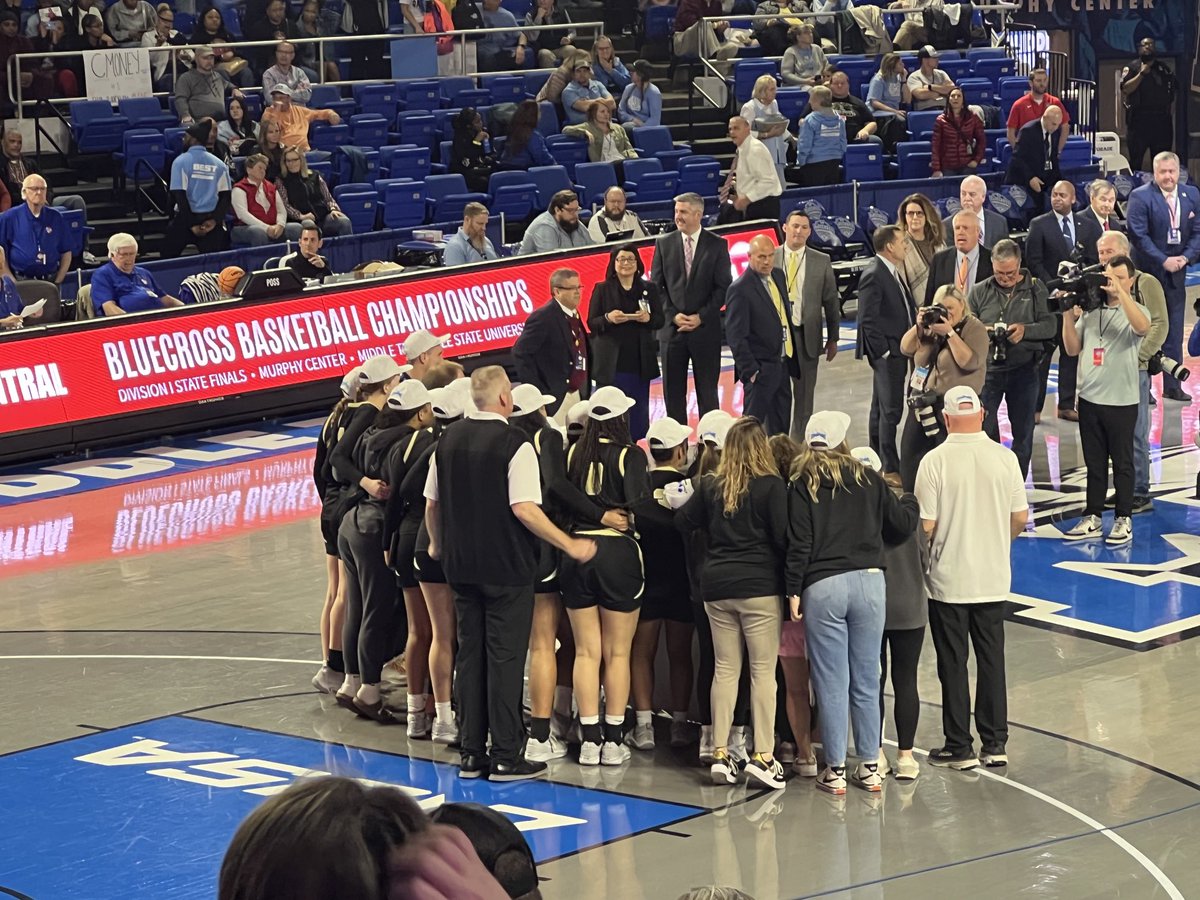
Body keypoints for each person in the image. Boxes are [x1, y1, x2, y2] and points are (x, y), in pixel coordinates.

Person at [424, 365, 597, 780]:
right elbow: (524, 509)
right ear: (505, 399)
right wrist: (569, 544)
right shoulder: (515, 444)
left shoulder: (447, 441)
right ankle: (505, 753)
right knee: (503, 659)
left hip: (461, 567)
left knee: (470, 655)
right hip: (505, 569)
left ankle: (471, 752)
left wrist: (437, 544)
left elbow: (432, 503)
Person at [786, 410, 919, 794]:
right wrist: (909, 501)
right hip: (870, 584)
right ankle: (871, 767)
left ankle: (836, 770)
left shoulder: (800, 484)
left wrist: (793, 590)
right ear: (844, 442)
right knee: (866, 677)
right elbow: (900, 524)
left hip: (822, 586)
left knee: (830, 681)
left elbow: (799, 544)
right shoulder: (868, 481)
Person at [916, 385, 1028, 770]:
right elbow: (1019, 518)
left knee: (953, 663)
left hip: (948, 580)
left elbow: (925, 525)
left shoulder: (934, 462)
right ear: (982, 414)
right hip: (993, 577)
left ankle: (958, 745)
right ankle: (995, 743)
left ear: (946, 419)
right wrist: (997, 542)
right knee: (991, 659)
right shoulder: (1005, 458)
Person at [676, 417, 788, 790]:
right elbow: (783, 539)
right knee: (762, 673)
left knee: (725, 669)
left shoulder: (710, 486)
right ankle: (764, 757)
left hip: (716, 587)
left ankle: (720, 753)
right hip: (759, 588)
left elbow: (683, 520)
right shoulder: (772, 487)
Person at [558, 385, 660, 766]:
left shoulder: (570, 454)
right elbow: (641, 505)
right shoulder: (630, 455)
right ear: (621, 420)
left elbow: (558, 495)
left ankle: (588, 738)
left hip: (576, 552)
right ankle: (614, 739)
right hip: (618, 555)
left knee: (586, 651)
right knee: (618, 652)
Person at [338, 377, 434, 725]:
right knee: (377, 610)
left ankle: (352, 682)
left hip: (352, 521)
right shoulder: (411, 443)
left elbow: (337, 462)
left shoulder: (370, 435)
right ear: (421, 413)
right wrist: (387, 543)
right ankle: (371, 690)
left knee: (358, 607)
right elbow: (399, 495)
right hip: (374, 527)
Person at [1061, 255, 1152, 546]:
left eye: (1120, 277)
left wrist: (1121, 293)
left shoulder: (1138, 310)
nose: (1111, 282)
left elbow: (1141, 328)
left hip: (1122, 401)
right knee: (1094, 463)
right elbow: (1073, 348)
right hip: (1089, 399)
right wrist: (1066, 314)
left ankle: (1123, 518)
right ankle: (1093, 516)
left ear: (1131, 280)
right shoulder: (1091, 313)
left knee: (1123, 463)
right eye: (1108, 277)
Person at [850, 448, 925, 782]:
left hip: (871, 606)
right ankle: (906, 756)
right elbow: (925, 558)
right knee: (906, 680)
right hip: (910, 606)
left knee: (871, 682)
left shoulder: (852, 512)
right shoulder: (906, 509)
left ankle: (875, 753)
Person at [628, 416, 695, 752]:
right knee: (680, 654)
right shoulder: (691, 493)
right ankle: (681, 724)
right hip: (682, 585)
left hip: (646, 586)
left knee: (642, 654)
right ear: (681, 452)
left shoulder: (636, 495)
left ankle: (643, 726)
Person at [968, 239, 1054, 478]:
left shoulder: (1036, 289)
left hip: (1024, 370)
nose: (1005, 278)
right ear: (991, 265)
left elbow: (1050, 326)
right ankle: (992, 478)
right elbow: (966, 325)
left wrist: (1026, 331)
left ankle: (1016, 482)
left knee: (1023, 431)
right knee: (985, 428)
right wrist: (984, 331)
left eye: (1010, 273)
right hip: (988, 371)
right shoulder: (979, 291)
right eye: (999, 273)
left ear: (1019, 266)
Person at [1096, 230, 1167, 514]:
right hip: (1106, 371)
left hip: (1134, 370)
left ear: (1125, 253)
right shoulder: (1100, 285)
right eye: (1100, 252)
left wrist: (1137, 358)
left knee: (1136, 432)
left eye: (1109, 251)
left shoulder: (1146, 283)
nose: (1103, 257)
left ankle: (1140, 491)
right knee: (1116, 433)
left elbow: (1159, 325)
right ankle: (1125, 487)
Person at [1126, 152, 1200, 403]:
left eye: (1172, 171)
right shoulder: (1140, 196)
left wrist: (1185, 258)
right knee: (1144, 329)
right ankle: (1143, 387)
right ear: (1154, 174)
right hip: (1148, 273)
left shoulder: (1191, 195)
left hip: (1177, 273)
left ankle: (1173, 385)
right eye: (1163, 172)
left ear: (1179, 171)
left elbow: (1198, 231)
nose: (1168, 176)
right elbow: (1138, 235)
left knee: (1175, 330)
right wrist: (1163, 260)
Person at [898, 283, 987, 489]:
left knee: (951, 467)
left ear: (962, 305)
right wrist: (920, 325)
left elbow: (969, 362)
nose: (945, 313)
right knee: (912, 461)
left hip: (953, 409)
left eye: (950, 309)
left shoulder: (974, 328)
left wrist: (950, 333)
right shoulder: (931, 327)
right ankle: (915, 506)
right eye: (940, 308)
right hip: (922, 403)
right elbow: (905, 348)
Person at [1026, 180, 1101, 423]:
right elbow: (1034, 262)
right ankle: (1035, 408)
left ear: (1073, 199)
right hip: (1049, 300)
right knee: (1044, 357)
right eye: (1054, 194)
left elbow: (1092, 260)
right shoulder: (1039, 225)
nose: (1056, 198)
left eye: (1062, 195)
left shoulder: (1088, 226)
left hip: (1077, 303)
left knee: (1071, 354)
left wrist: (1079, 291)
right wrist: (1056, 288)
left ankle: (1066, 405)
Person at [653, 192, 731, 423]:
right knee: (673, 395)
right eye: (676, 211)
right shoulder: (663, 243)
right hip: (672, 331)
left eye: (683, 212)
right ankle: (676, 448)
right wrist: (673, 315)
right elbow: (657, 287)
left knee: (708, 394)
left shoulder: (717, 245)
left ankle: (709, 449)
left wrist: (701, 316)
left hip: (705, 331)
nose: (678, 216)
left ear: (698, 214)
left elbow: (723, 288)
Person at [586, 244, 663, 440]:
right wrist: (608, 318)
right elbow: (592, 322)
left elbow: (660, 320)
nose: (626, 263)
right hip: (612, 364)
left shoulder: (649, 288)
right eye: (621, 259)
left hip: (638, 362)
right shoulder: (602, 289)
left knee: (637, 414)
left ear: (638, 263)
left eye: (631, 259)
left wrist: (648, 319)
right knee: (611, 412)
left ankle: (635, 449)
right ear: (614, 263)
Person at [774, 210, 839, 440]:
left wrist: (833, 338)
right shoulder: (769, 257)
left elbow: (831, 302)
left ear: (810, 231)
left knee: (803, 398)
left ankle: (797, 446)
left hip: (806, 336)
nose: (799, 231)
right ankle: (776, 444)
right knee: (776, 395)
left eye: (804, 227)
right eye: (795, 226)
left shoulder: (821, 261)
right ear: (785, 227)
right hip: (776, 338)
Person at [856, 224, 916, 474]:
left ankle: (878, 458)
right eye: (902, 241)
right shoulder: (875, 273)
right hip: (889, 353)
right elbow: (867, 319)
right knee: (890, 410)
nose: (906, 245)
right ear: (890, 246)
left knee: (880, 408)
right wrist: (884, 352)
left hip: (895, 350)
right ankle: (890, 467)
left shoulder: (889, 270)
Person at [726, 235, 792, 435]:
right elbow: (736, 336)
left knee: (781, 425)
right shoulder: (739, 289)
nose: (767, 261)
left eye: (771, 256)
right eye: (761, 257)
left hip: (782, 364)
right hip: (760, 370)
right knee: (750, 430)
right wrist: (751, 371)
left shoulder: (778, 276)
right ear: (749, 257)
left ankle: (781, 463)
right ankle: (747, 466)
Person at [513, 267, 590, 417]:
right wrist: (537, 392)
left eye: (579, 287)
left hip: (578, 392)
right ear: (557, 291)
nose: (577, 292)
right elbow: (520, 353)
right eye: (571, 288)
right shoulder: (543, 317)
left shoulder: (573, 312)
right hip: (556, 397)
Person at [162, 119, 231, 257]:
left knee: (166, 256)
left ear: (193, 139)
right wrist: (214, 221)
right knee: (216, 264)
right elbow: (226, 196)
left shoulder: (180, 161)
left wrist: (192, 224)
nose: (183, 139)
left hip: (185, 219)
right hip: (211, 220)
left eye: (186, 136)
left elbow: (179, 196)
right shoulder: (219, 164)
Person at [0, 175, 70, 287]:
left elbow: (66, 251)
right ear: (24, 192)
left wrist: (58, 280)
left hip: (50, 281)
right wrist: (12, 283)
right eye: (34, 189)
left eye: (42, 189)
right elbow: (0, 254)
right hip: (20, 281)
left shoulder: (56, 217)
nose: (39, 192)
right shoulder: (9, 218)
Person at [90, 233, 183, 316]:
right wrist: (133, 323)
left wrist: (188, 310)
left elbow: (165, 299)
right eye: (124, 254)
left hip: (157, 321)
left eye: (132, 254)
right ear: (112, 255)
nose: (129, 259)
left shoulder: (144, 273)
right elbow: (109, 309)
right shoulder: (102, 275)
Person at [1120, 38, 1177, 173]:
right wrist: (1141, 74)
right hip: (1139, 121)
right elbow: (1125, 89)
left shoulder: (1163, 69)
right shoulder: (1132, 67)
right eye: (1144, 45)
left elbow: (1173, 92)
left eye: (1151, 44)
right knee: (1136, 160)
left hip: (1161, 121)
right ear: (1139, 48)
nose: (1148, 47)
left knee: (1162, 160)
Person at [275, 147, 351, 238]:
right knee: (309, 226)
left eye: (295, 160)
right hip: (302, 219)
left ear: (301, 160)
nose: (291, 164)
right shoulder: (281, 180)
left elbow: (327, 196)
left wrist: (333, 208)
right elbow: (285, 205)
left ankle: (347, 251)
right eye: (288, 161)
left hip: (323, 216)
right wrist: (301, 216)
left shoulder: (315, 175)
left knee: (344, 221)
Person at [231, 153, 303, 247]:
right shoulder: (239, 189)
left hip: (272, 226)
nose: (263, 171)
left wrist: (280, 225)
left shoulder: (271, 186)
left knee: (296, 228)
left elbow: (281, 210)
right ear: (249, 170)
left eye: (264, 169)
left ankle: (293, 259)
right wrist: (266, 228)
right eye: (259, 168)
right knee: (258, 232)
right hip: (244, 228)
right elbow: (243, 215)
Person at [1005, 105, 1064, 214]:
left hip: (1044, 174)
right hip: (1025, 177)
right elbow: (1018, 158)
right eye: (1053, 124)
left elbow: (1053, 157)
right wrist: (1030, 178)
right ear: (1045, 118)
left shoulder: (1056, 131)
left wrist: (1060, 181)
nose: (1055, 128)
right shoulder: (1028, 131)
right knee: (1037, 203)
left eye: (1058, 124)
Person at [927, 211, 994, 304]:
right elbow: (929, 300)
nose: (960, 232)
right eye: (957, 228)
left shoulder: (992, 259)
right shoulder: (939, 260)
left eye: (966, 228)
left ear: (978, 231)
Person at [724, 116, 782, 222]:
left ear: (748, 128)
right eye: (730, 129)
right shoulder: (742, 149)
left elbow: (768, 181)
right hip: (753, 205)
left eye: (736, 128)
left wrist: (747, 198)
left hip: (763, 205)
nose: (732, 132)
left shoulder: (755, 149)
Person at [741, 74, 790, 189]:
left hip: (777, 154)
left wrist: (790, 137)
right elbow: (743, 133)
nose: (775, 92)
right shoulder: (749, 107)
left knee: (781, 188)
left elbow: (779, 123)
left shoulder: (774, 104)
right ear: (762, 91)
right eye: (772, 89)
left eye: (775, 88)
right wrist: (766, 135)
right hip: (759, 156)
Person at [260, 83, 340, 153]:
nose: (278, 101)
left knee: (327, 156)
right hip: (283, 153)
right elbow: (267, 128)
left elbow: (320, 113)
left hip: (304, 151)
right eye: (275, 98)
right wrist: (276, 110)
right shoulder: (269, 112)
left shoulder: (300, 111)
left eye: (281, 98)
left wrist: (332, 115)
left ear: (289, 98)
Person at [1005, 67, 1069, 152]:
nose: (1042, 84)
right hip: (1027, 151)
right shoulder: (1019, 105)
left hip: (1049, 150)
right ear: (1031, 83)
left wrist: (1058, 151)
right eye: (1038, 81)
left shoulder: (1055, 102)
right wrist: (1019, 151)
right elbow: (1010, 133)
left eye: (1044, 80)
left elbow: (1065, 127)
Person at [174, 45, 242, 125]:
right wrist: (185, 115)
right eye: (205, 58)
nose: (209, 61)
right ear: (196, 59)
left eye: (211, 58)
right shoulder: (186, 78)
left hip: (221, 121)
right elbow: (180, 99)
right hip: (199, 122)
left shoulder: (217, 76)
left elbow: (228, 85)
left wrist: (235, 89)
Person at [792, 86, 845, 187]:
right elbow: (843, 142)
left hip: (813, 165)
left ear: (817, 101)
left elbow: (804, 145)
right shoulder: (840, 119)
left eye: (811, 99)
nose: (809, 102)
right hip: (834, 163)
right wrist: (837, 155)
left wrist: (801, 162)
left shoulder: (810, 120)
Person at [562, 99, 638, 169]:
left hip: (622, 161)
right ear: (593, 113)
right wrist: (584, 132)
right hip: (603, 165)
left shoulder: (618, 128)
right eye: (602, 112)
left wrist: (636, 160)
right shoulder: (587, 127)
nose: (606, 114)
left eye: (608, 111)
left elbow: (629, 148)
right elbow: (566, 130)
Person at [898, 193, 944, 306]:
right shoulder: (900, 244)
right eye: (910, 213)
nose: (915, 218)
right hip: (911, 306)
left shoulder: (938, 243)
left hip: (940, 301)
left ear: (927, 216)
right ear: (905, 216)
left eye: (919, 213)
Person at [189, 7, 253, 88]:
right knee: (221, 73)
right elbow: (197, 59)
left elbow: (237, 52)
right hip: (210, 68)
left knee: (246, 71)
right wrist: (221, 57)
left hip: (231, 65)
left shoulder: (228, 35)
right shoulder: (197, 38)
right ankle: (231, 94)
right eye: (210, 17)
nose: (214, 20)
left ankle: (248, 96)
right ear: (203, 20)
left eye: (217, 17)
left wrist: (232, 53)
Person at [944, 174, 1008, 251]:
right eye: (963, 194)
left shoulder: (999, 222)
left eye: (972, 194)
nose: (967, 198)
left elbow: (1004, 253)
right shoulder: (947, 225)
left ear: (983, 197)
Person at [518, 190, 595, 255]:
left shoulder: (573, 221)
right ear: (557, 210)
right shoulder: (544, 227)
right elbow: (552, 261)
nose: (576, 215)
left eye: (577, 210)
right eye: (571, 211)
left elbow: (593, 249)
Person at [931, 88, 984, 178]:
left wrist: (976, 160)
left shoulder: (973, 118)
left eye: (959, 96)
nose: (956, 98)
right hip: (948, 166)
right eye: (953, 96)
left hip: (967, 164)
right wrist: (936, 169)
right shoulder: (941, 120)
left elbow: (981, 140)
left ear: (963, 99)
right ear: (949, 99)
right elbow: (936, 146)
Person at [246, 2, 305, 78]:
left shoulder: (291, 25)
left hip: (292, 66)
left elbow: (300, 46)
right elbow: (258, 53)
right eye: (274, 10)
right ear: (267, 11)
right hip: (267, 67)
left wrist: (289, 45)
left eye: (280, 9)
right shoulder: (259, 28)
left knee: (312, 76)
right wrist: (275, 44)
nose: (278, 13)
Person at [823, 69, 879, 147]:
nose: (839, 86)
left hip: (855, 139)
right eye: (836, 83)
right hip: (828, 140)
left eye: (842, 83)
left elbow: (872, 123)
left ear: (848, 85)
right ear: (830, 85)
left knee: (875, 141)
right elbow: (803, 119)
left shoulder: (858, 102)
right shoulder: (822, 101)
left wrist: (865, 130)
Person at [450, 107, 499, 194]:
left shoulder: (484, 133)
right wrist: (476, 142)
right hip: (465, 171)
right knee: (483, 182)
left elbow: (490, 153)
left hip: (482, 168)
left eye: (481, 120)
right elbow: (466, 162)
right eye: (477, 122)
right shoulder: (460, 138)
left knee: (499, 175)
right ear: (469, 125)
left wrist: (487, 143)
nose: (481, 124)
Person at [866, 52, 910, 149]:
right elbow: (874, 102)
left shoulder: (898, 78)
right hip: (879, 113)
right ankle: (893, 148)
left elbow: (907, 100)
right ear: (892, 65)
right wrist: (894, 111)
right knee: (899, 120)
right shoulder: (878, 80)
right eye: (900, 63)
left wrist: (904, 80)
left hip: (894, 112)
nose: (903, 65)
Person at [142, 4, 188, 92]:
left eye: (170, 21)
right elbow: (148, 61)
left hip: (182, 68)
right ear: (157, 20)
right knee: (170, 80)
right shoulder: (148, 36)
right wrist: (158, 45)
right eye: (165, 20)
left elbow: (191, 54)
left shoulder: (176, 34)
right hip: (164, 73)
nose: (168, 24)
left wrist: (183, 56)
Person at [672, 0, 738, 61]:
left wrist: (720, 29)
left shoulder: (717, 3)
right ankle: (716, 54)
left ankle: (715, 68)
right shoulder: (688, 1)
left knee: (731, 47)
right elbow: (689, 23)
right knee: (703, 24)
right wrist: (713, 26)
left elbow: (715, 29)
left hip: (707, 41)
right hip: (683, 40)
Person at [499, 100, 555, 170]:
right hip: (525, 172)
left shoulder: (513, 131)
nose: (541, 113)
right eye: (539, 111)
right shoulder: (533, 136)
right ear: (533, 115)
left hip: (505, 170)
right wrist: (556, 167)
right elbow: (543, 158)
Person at [443, 201, 499, 267]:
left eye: (485, 224)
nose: (484, 228)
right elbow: (457, 276)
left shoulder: (486, 241)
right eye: (480, 224)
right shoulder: (454, 247)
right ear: (467, 219)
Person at [477, 0, 528, 71]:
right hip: (478, 52)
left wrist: (521, 47)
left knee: (517, 58)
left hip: (497, 52)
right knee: (487, 58)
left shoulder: (507, 16)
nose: (485, 1)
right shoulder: (474, 11)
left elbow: (522, 35)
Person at [560, 60, 612, 128]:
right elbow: (584, 107)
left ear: (590, 73)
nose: (582, 74)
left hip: (602, 124)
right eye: (578, 71)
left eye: (585, 71)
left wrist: (591, 102)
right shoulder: (568, 91)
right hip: (580, 126)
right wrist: (602, 101)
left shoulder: (598, 84)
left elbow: (612, 103)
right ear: (573, 74)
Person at [523, 0, 575, 68]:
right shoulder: (530, 15)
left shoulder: (562, 12)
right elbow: (531, 38)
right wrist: (538, 18)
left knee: (571, 49)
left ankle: (569, 76)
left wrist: (569, 38)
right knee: (545, 54)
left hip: (560, 47)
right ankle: (552, 77)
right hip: (542, 49)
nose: (542, 1)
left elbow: (572, 31)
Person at [261, 40, 312, 106]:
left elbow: (306, 96)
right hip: (278, 112)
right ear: (276, 53)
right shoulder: (268, 74)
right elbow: (270, 99)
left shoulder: (299, 73)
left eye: (287, 52)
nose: (283, 55)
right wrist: (295, 94)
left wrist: (282, 94)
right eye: (281, 52)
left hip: (299, 112)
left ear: (293, 55)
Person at [907, 45, 954, 111]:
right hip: (925, 111)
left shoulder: (942, 73)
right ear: (925, 60)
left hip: (945, 109)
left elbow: (951, 89)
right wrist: (942, 91)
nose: (937, 60)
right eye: (934, 58)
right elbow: (920, 94)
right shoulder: (914, 77)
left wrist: (930, 87)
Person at [617, 58, 660, 128]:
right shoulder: (628, 88)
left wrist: (642, 127)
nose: (630, 73)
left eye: (633, 71)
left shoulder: (654, 92)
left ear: (640, 75)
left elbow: (655, 120)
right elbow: (621, 110)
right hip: (629, 124)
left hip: (646, 128)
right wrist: (632, 119)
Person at [258, 118, 287, 182]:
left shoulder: (283, 149)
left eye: (277, 131)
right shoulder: (257, 151)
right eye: (271, 132)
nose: (275, 135)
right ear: (264, 134)